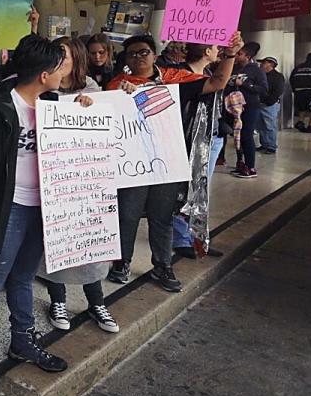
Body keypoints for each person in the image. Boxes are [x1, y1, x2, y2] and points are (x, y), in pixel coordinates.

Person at [0, 34, 97, 390]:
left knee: (23, 277)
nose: (63, 72)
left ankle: (23, 340)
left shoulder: (54, 103)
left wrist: (83, 108)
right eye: (59, 67)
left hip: (44, 207)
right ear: (43, 74)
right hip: (10, 209)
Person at [106, 32, 243, 291]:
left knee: (162, 217)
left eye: (143, 52)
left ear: (155, 55)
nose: (138, 57)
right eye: (132, 54)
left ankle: (162, 266)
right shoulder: (115, 86)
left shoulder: (174, 80)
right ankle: (121, 263)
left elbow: (218, 82)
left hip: (166, 162)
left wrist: (231, 55)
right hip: (131, 165)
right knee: (127, 215)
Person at [38, 37, 118, 335]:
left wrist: (90, 107)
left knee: (89, 243)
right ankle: (57, 300)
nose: (59, 60)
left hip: (87, 185)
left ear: (77, 59)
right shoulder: (44, 91)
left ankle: (96, 302)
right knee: (57, 242)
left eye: (64, 56)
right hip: (55, 181)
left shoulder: (93, 91)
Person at [172, 43, 225, 259]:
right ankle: (181, 238)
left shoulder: (209, 72)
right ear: (206, 51)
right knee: (183, 191)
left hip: (212, 138)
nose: (218, 51)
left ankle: (198, 235)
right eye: (215, 47)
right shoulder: (180, 75)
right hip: (187, 139)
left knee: (201, 190)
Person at [228, 41, 267, 178]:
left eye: (240, 54)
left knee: (246, 135)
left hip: (251, 107)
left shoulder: (257, 70)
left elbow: (263, 89)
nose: (237, 56)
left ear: (247, 56)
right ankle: (241, 163)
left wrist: (245, 84)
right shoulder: (234, 68)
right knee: (237, 136)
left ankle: (251, 167)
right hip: (235, 107)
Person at [258, 57, 285, 154]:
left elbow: (278, 91)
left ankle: (271, 146)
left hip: (270, 105)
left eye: (264, 63)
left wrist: (269, 101)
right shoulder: (261, 75)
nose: (261, 64)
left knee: (270, 125)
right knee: (261, 125)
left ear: (271, 64)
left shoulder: (278, 76)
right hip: (259, 103)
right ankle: (264, 144)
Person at [289, 52, 311, 131]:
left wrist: (294, 90)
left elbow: (291, 78)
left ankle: (300, 122)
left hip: (298, 91)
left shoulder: (298, 67)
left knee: (301, 108)